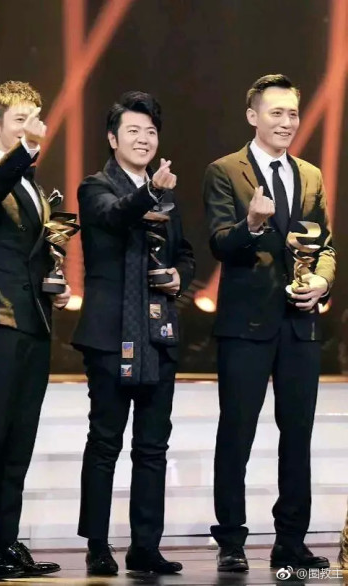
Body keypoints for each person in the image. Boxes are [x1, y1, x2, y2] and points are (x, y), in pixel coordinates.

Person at [203, 74, 336, 572]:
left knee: (297, 434)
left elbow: (325, 244)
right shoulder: (224, 171)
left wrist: (322, 281)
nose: (286, 122)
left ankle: (291, 541)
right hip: (246, 324)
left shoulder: (311, 175)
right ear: (252, 116)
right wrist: (252, 224)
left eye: (293, 113)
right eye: (276, 112)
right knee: (236, 432)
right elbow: (220, 242)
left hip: (300, 324)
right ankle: (231, 541)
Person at [72, 91, 195, 575]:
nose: (143, 139)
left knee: (152, 446)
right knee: (105, 442)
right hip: (109, 335)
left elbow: (184, 252)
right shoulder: (94, 186)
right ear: (112, 138)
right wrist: (149, 193)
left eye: (150, 132)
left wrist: (180, 276)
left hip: (158, 332)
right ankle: (97, 544)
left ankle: (145, 546)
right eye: (133, 131)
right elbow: (114, 214)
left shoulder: (167, 194)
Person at [0, 80, 69, 580]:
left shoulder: (35, 187)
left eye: (33, 119)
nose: (30, 128)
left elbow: (35, 251)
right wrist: (24, 150)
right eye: (19, 120)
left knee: (20, 437)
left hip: (34, 320)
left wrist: (56, 281)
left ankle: (5, 540)